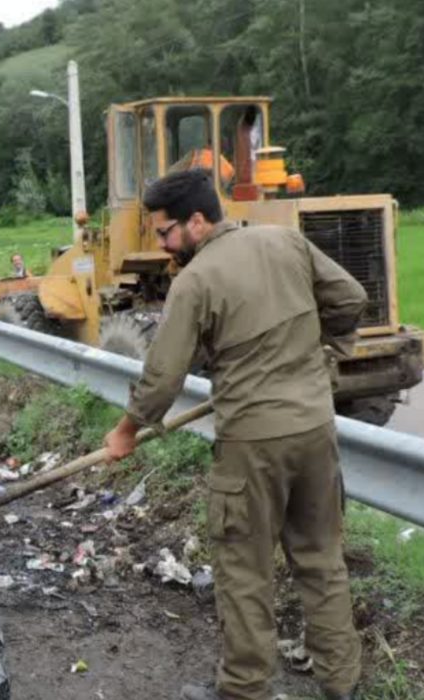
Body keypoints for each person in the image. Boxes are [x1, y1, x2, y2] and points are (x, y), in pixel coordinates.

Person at [103, 170, 365, 700]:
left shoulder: (195, 281)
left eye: (165, 232)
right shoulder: (285, 241)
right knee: (321, 560)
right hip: (315, 431)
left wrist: (126, 430)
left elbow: (161, 379)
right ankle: (343, 684)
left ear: (197, 221)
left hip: (252, 446)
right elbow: (351, 298)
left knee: (244, 572)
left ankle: (244, 690)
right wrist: (318, 349)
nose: (161, 243)